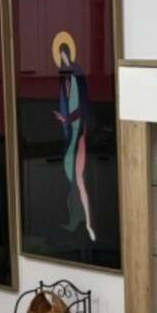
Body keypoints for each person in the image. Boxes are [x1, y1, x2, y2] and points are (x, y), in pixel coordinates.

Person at [52, 30, 96, 241]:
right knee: (73, 178)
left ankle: (87, 223)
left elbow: (82, 107)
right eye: (61, 60)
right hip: (70, 129)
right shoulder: (65, 78)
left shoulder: (77, 75)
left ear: (69, 55)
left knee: (77, 178)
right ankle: (79, 220)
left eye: (64, 58)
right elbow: (65, 103)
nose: (63, 63)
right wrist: (65, 119)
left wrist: (67, 119)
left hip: (79, 131)